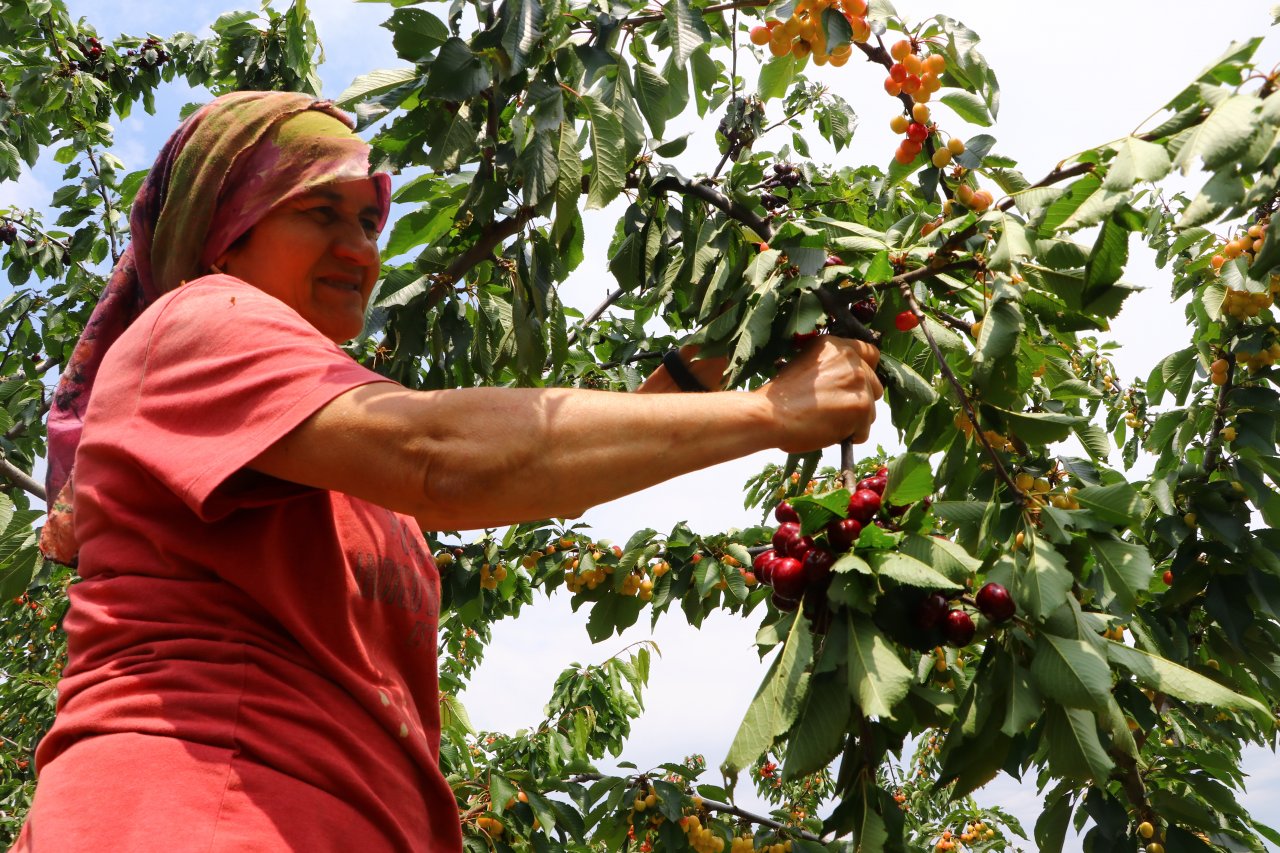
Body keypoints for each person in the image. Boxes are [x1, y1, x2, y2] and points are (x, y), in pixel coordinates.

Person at [12, 90, 882, 852]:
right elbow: (442, 461)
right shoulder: (200, 318)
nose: (359, 249)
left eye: (367, 221)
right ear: (223, 231)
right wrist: (773, 414)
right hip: (196, 810)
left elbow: (520, 468)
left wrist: (693, 381)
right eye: (319, 212)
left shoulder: (313, 445)